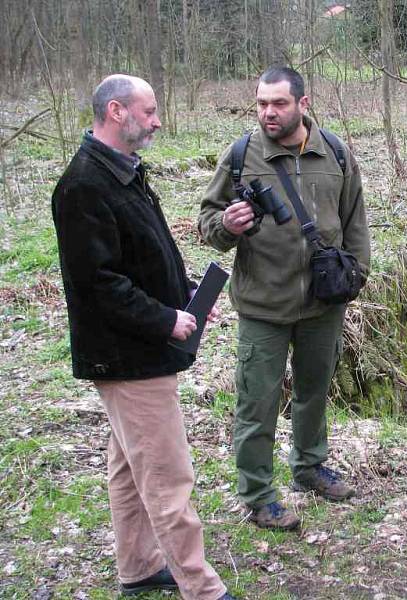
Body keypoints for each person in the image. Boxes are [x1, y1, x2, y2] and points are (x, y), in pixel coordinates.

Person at [51, 74, 235, 600]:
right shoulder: (84, 185)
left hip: (140, 349)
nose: (157, 120)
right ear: (116, 112)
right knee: (167, 477)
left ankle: (136, 567)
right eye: (149, 110)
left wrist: (186, 298)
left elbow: (141, 257)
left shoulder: (123, 172)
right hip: (127, 357)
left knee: (130, 469)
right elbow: (98, 284)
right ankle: (201, 587)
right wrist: (164, 320)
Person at [198, 67, 370, 530]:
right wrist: (226, 227)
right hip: (262, 306)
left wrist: (357, 272)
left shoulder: (334, 152)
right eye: (261, 104)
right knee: (257, 403)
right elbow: (208, 222)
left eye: (278, 104)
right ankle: (257, 494)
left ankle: (309, 468)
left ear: (303, 103)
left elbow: (355, 219)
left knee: (314, 393)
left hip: (323, 302)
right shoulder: (240, 155)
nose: (268, 113)